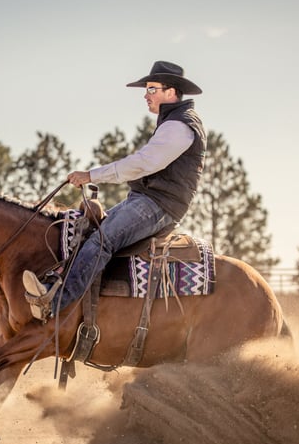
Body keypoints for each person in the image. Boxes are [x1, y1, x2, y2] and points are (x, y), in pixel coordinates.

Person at [23, 60, 207, 321]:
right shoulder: (172, 122)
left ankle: (55, 303)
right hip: (149, 199)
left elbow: (144, 163)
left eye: (152, 89)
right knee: (89, 230)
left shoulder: (179, 125)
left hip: (160, 205)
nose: (146, 95)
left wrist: (91, 175)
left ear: (171, 91)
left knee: (102, 240)